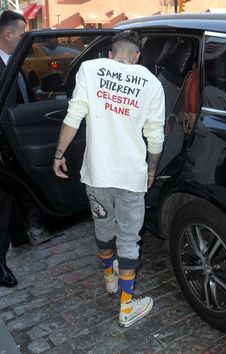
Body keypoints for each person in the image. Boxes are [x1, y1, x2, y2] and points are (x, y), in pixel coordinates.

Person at [53, 31, 165, 327]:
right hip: (131, 176)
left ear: (110, 53)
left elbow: (74, 114)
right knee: (129, 240)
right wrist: (151, 169)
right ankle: (126, 307)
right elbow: (155, 136)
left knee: (103, 228)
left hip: (97, 173)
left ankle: (109, 279)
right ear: (137, 56)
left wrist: (58, 154)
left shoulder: (90, 69)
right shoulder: (152, 84)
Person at [0, 10, 27, 287]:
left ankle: (20, 235)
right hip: (2, 146)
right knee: (2, 204)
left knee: (15, 194)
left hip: (16, 142)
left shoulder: (12, 60)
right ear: (8, 35)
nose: (24, 39)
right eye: (21, 35)